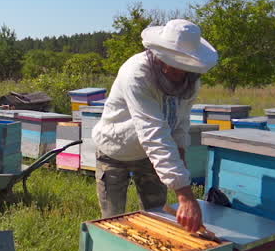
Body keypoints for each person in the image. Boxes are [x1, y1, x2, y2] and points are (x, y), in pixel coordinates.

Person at [91, 18, 218, 232]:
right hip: (114, 150)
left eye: (183, 65)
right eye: (173, 62)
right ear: (159, 53)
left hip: (150, 157)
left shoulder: (190, 82)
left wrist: (181, 167)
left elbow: (180, 124)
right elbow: (152, 131)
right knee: (112, 223)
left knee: (157, 217)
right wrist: (185, 196)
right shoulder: (137, 73)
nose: (176, 71)